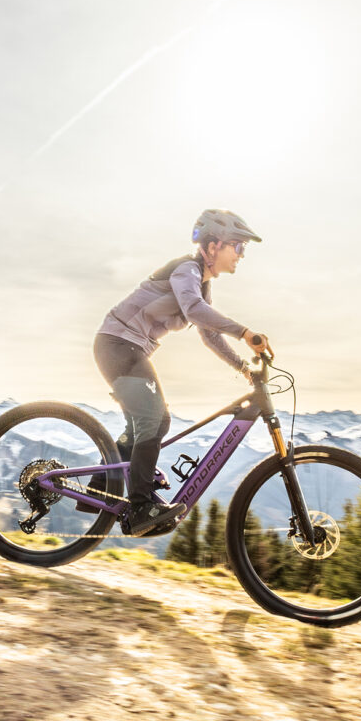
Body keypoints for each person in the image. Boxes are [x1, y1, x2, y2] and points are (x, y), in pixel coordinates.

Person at [92, 209, 269, 537]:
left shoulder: (202, 284)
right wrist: (245, 332)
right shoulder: (187, 270)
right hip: (119, 345)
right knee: (155, 419)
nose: (241, 255)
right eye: (238, 247)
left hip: (123, 347)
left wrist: (243, 367)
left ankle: (102, 484)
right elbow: (194, 311)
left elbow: (209, 333)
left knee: (147, 421)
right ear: (214, 246)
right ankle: (141, 506)